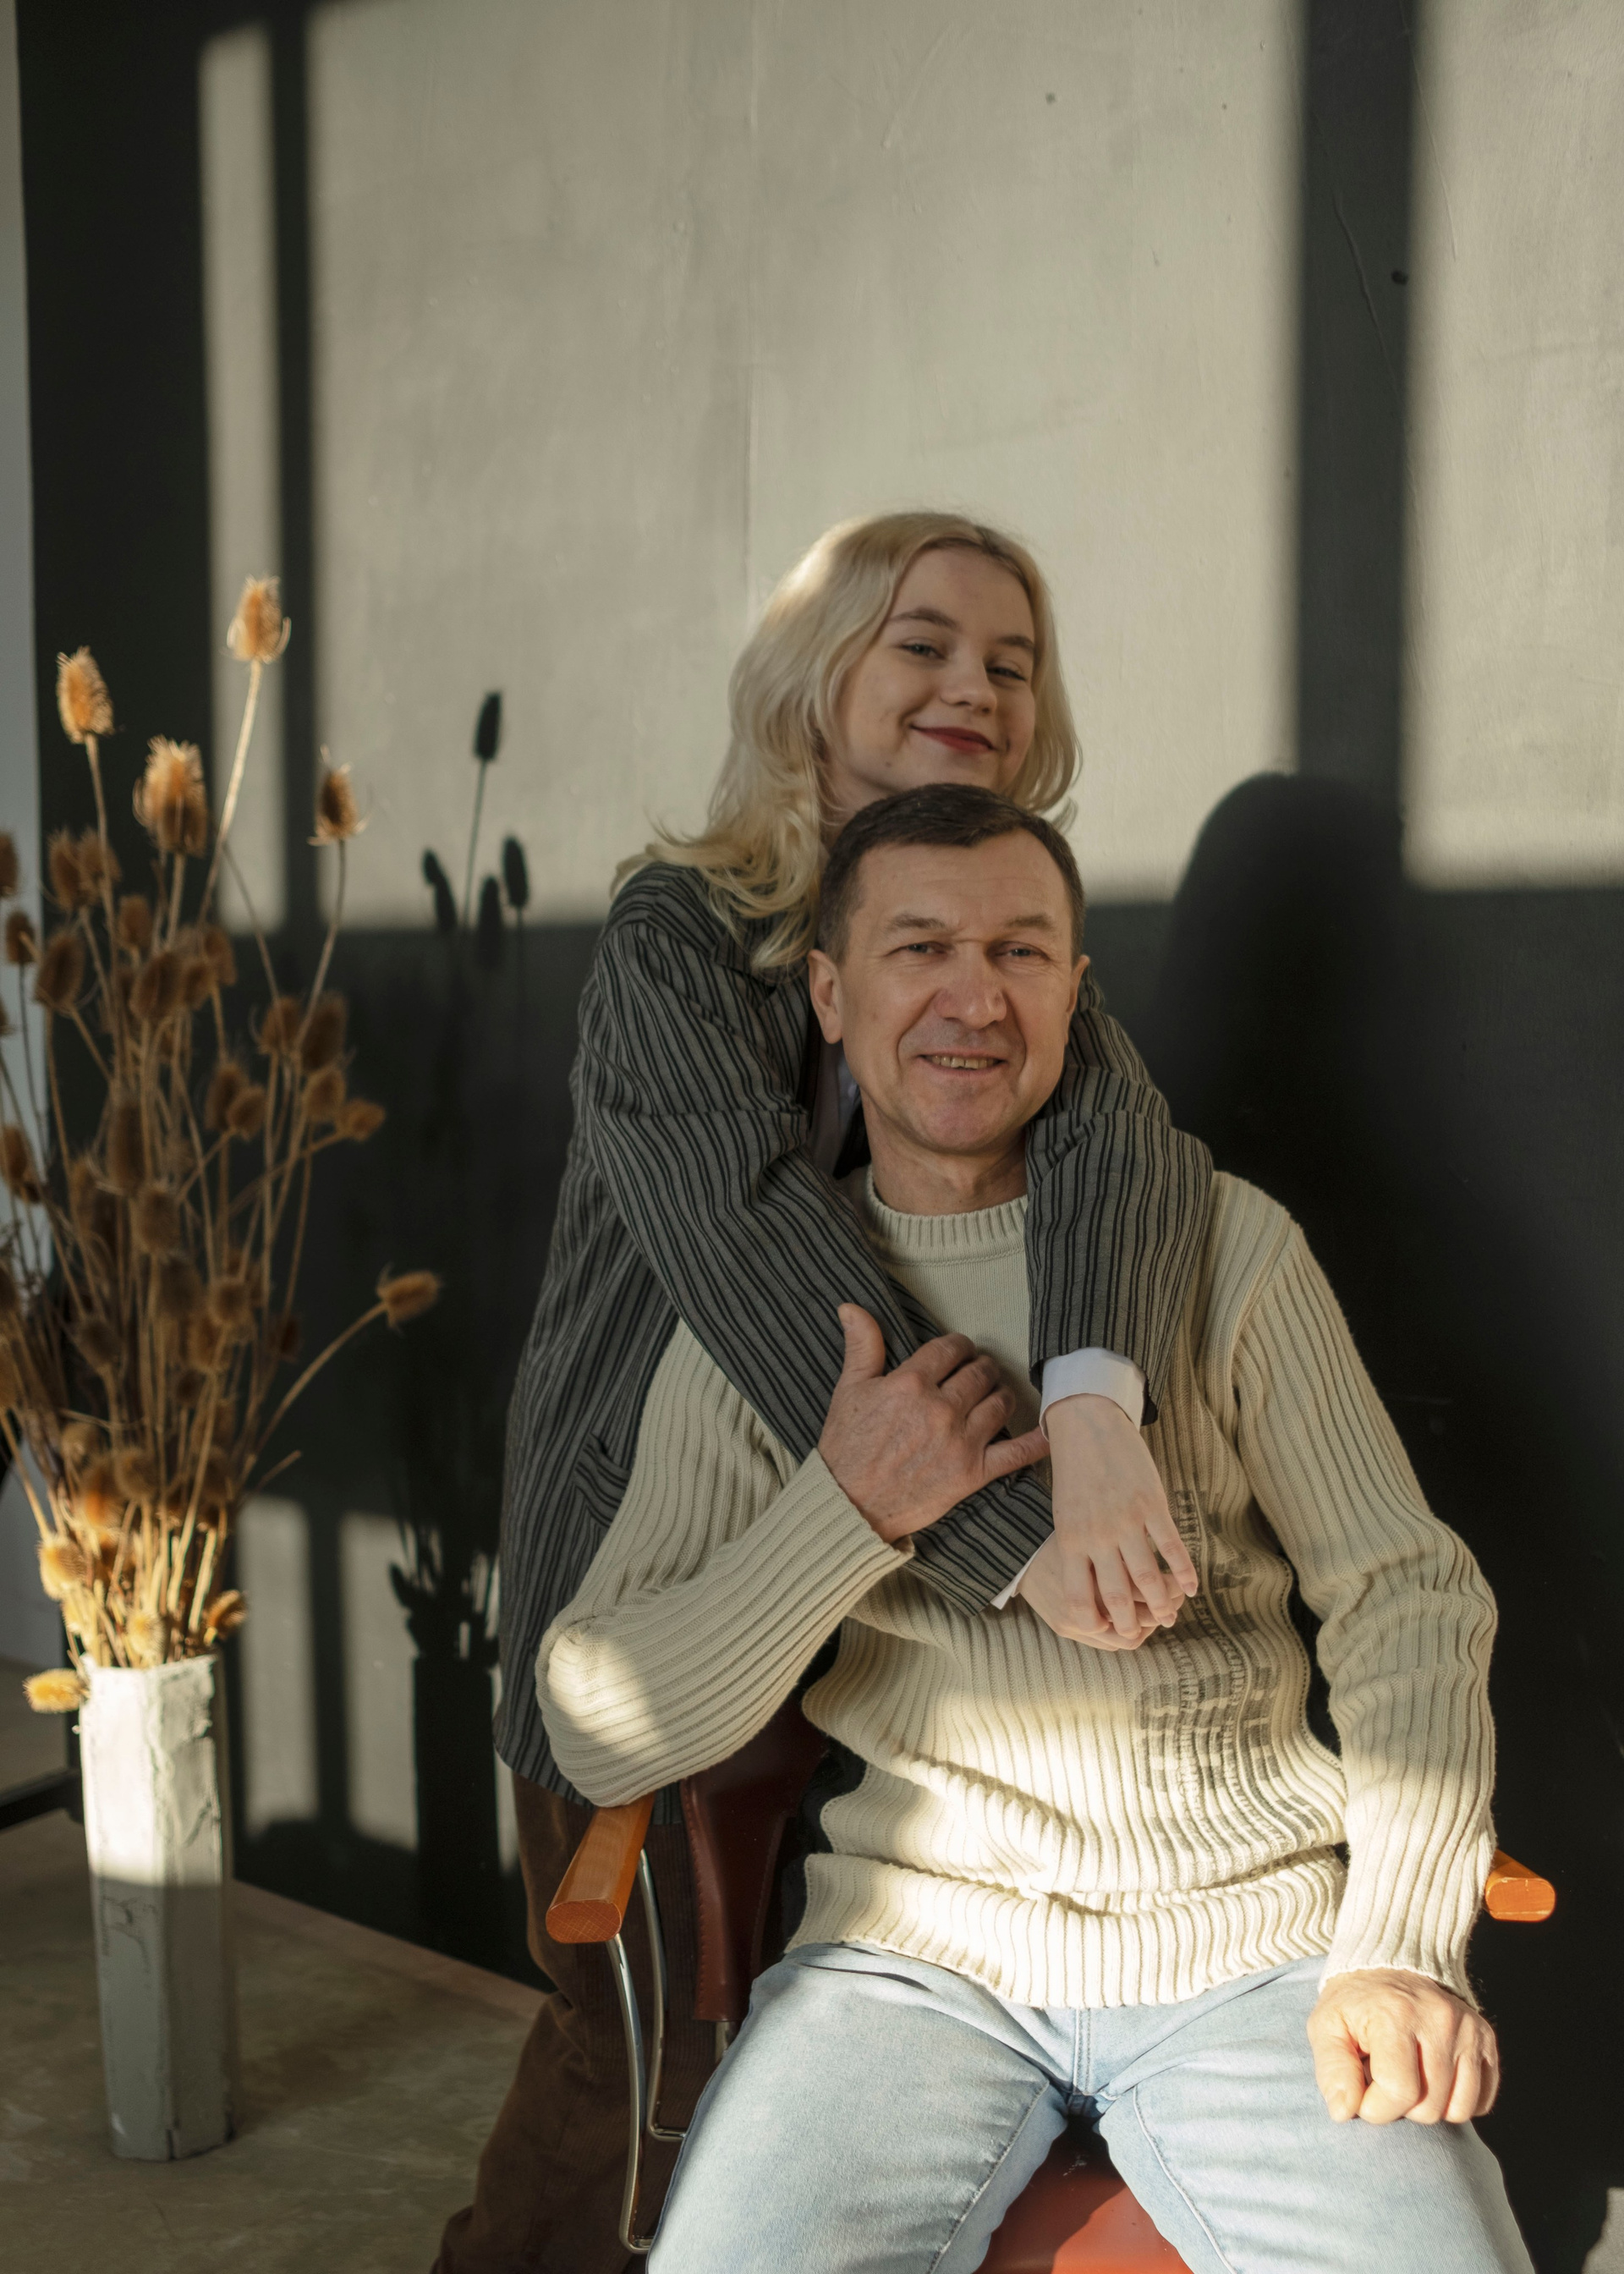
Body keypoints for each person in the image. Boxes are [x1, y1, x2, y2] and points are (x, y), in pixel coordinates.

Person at [536, 784, 1534, 2274]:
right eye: (919, 948)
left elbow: (1410, 1596)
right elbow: (598, 1729)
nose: (974, 997)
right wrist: (849, 1509)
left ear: (1075, 990)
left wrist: (1399, 1941)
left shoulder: (1227, 1242)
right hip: (911, 1964)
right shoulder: (767, 1326)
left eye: (1019, 951)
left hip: (1254, 1950)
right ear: (830, 996)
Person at [436, 514, 1213, 2273]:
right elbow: (761, 1251)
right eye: (922, 644)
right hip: (658, 1562)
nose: (973, 687)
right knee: (633, 2061)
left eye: (1011, 662)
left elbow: (1132, 1157)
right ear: (815, 678)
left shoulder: (996, 924)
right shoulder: (678, 937)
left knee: (811, 2052)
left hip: (895, 1601)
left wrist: (1096, 1409)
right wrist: (1039, 1551)